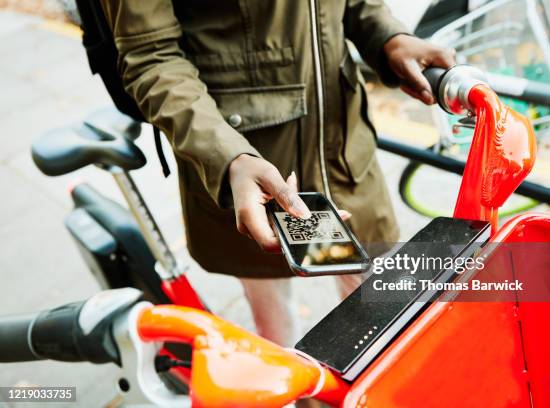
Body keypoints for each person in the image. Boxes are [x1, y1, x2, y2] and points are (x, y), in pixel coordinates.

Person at [102, 0, 455, 346]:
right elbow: (150, 57)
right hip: (249, 169)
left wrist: (388, 36)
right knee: (275, 335)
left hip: (344, 149)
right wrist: (229, 157)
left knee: (384, 320)